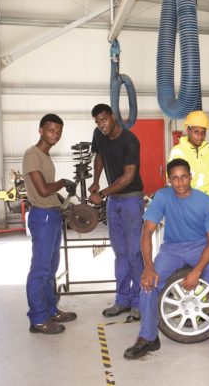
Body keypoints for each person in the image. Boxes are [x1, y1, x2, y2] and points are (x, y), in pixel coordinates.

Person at [123, 158, 209, 363]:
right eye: (175, 179)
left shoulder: (205, 202)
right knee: (148, 285)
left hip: (201, 247)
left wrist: (196, 271)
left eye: (184, 177)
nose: (180, 183)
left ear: (190, 177)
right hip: (172, 250)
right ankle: (148, 337)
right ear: (169, 180)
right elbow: (146, 232)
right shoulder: (162, 197)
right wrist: (148, 267)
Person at [88, 103, 145, 321]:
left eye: (104, 120)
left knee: (134, 252)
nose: (101, 125)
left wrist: (101, 194)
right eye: (97, 122)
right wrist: (95, 182)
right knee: (119, 253)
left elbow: (129, 177)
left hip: (132, 200)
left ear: (113, 117)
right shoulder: (98, 134)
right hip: (114, 201)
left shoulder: (130, 140)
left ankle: (139, 301)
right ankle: (122, 300)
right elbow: (99, 156)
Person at [23, 114, 77, 334]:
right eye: (51, 130)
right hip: (42, 217)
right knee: (40, 269)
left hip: (52, 215)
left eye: (58, 131)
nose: (55, 134)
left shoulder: (46, 156)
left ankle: (50, 310)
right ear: (41, 130)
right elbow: (43, 190)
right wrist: (63, 182)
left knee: (51, 268)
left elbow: (49, 194)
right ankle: (37, 318)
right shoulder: (32, 155)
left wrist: (66, 205)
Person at [168, 110, 209, 199]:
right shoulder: (178, 151)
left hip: (208, 203)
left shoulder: (208, 151)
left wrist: (196, 179)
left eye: (203, 132)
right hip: (186, 203)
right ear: (188, 130)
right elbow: (179, 182)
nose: (200, 136)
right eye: (196, 132)